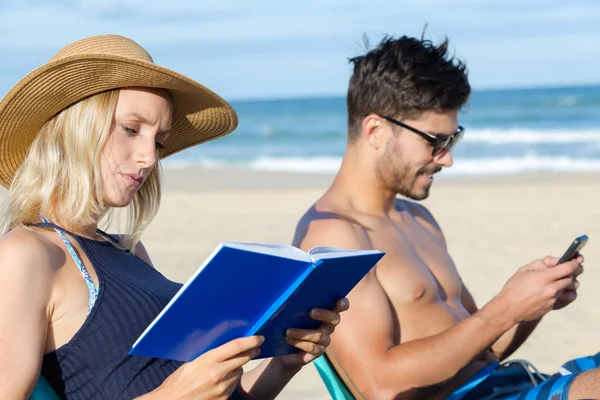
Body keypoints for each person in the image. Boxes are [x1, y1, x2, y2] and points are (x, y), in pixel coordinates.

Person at [0, 34, 348, 400]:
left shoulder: (130, 253)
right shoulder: (28, 254)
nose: (150, 158)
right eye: (131, 129)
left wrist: (284, 363)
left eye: (158, 141)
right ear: (75, 127)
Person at [292, 34, 599, 399]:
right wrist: (505, 308)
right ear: (375, 131)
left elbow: (482, 350)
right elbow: (378, 385)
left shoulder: (418, 219)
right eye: (434, 141)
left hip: (508, 385)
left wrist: (531, 305)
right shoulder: (334, 236)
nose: (447, 158)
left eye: (453, 141)